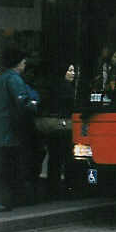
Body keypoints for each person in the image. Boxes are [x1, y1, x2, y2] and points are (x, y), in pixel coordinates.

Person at [0, 47, 40, 211]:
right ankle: (7, 201)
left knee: (0, 167)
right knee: (11, 167)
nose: (25, 65)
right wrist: (34, 104)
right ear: (18, 63)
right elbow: (24, 103)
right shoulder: (14, 79)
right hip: (10, 132)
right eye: (24, 62)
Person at [45, 64, 76, 199]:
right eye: (69, 70)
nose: (73, 73)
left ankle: (52, 188)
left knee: (55, 159)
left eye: (74, 70)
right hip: (65, 127)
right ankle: (67, 188)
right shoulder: (68, 88)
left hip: (54, 128)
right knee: (67, 158)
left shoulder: (53, 87)